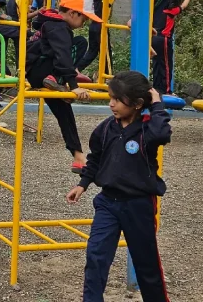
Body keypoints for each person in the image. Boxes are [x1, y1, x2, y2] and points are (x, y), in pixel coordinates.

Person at [66, 71, 171, 302]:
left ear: (137, 104)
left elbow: (162, 133)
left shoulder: (147, 130)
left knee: (147, 265)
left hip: (139, 205)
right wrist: (82, 184)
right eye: (110, 98)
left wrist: (157, 105)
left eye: (117, 99)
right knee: (96, 257)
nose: (111, 104)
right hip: (108, 203)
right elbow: (95, 159)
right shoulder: (105, 129)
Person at [27, 0, 99, 172]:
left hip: (38, 72)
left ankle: (78, 156)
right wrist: (73, 86)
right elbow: (62, 55)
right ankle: (56, 78)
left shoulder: (51, 23)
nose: (83, 24)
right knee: (81, 42)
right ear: (73, 13)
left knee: (63, 110)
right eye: (84, 19)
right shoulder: (59, 27)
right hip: (41, 72)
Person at [76, 0, 121, 76]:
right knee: (106, 53)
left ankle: (77, 68)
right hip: (102, 27)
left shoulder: (94, 1)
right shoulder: (107, 0)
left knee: (92, 51)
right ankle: (107, 76)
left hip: (93, 26)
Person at [150, 0, 192, 93]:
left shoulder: (158, 10)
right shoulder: (171, 11)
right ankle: (167, 90)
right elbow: (184, 6)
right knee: (167, 65)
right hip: (164, 39)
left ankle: (157, 87)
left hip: (154, 38)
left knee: (157, 63)